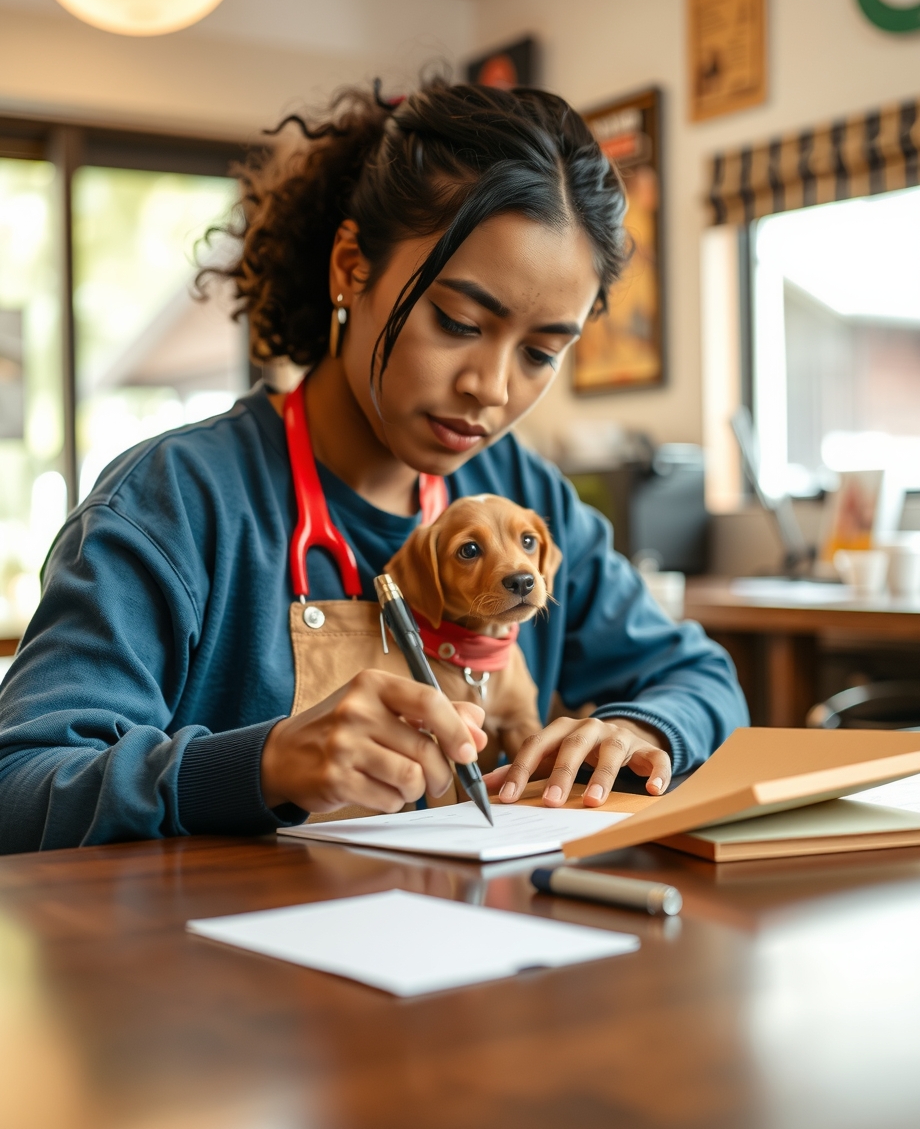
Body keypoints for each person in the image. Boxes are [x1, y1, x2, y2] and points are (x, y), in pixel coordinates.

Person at [0, 79, 748, 853]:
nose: (490, 389)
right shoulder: (175, 505)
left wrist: (640, 728)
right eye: (458, 321)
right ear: (353, 268)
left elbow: (703, 680)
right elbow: (19, 786)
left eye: (539, 353)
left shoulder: (529, 502)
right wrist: (256, 767)